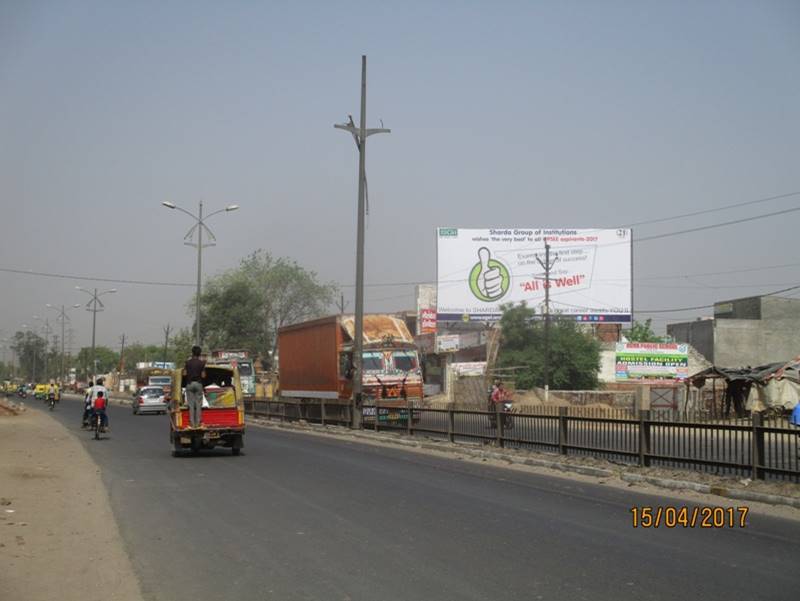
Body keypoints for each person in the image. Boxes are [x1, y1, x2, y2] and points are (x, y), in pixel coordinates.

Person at [183, 345, 206, 428]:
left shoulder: (187, 362)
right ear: (199, 354)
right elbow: (203, 376)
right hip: (198, 383)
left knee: (191, 404)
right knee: (198, 404)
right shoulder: (201, 363)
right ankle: (198, 422)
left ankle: (192, 423)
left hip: (189, 384)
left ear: (192, 353)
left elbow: (184, 374)